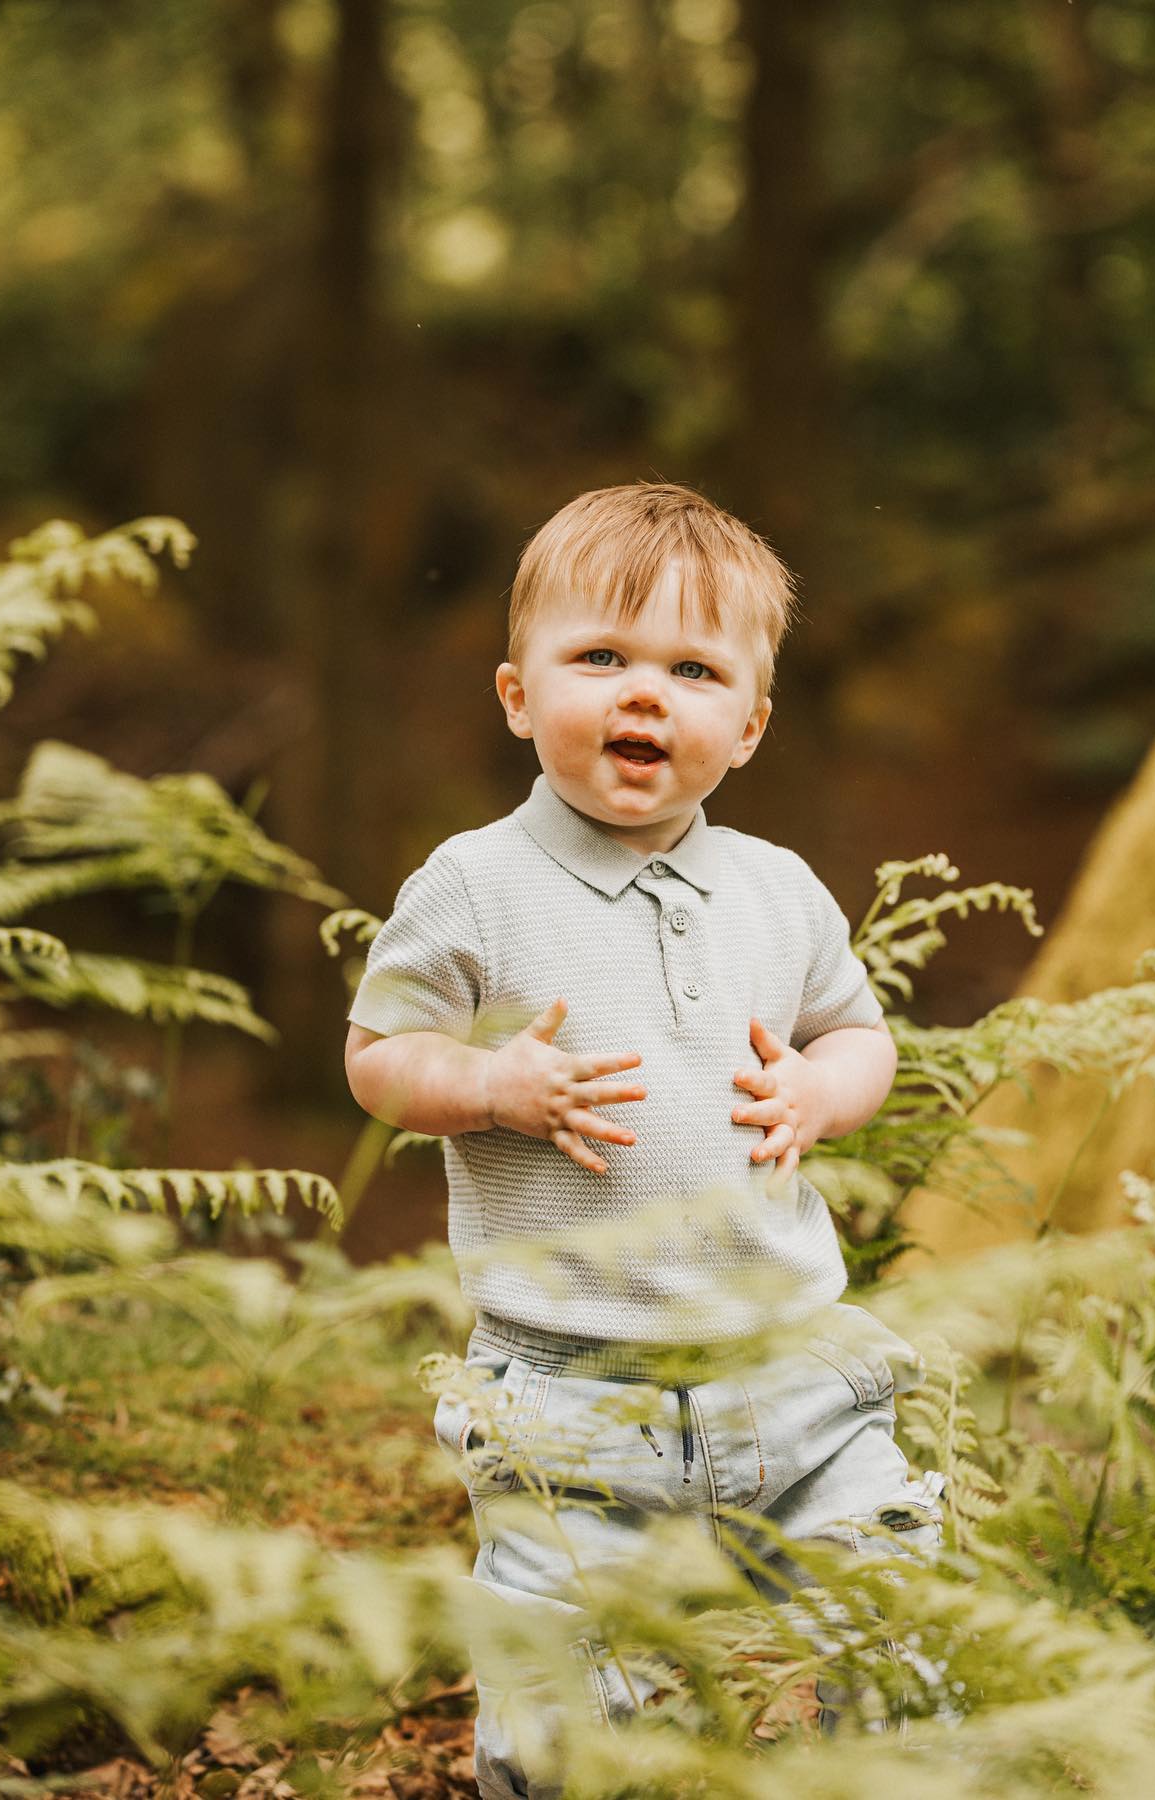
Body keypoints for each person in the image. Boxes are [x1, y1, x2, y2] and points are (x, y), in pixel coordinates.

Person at [344, 481, 946, 1798]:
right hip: (569, 1388)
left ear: (749, 724)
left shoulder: (778, 890)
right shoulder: (472, 887)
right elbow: (377, 1058)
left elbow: (860, 1036)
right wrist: (491, 1084)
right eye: (600, 657)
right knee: (562, 1685)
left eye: (692, 669)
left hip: (792, 1368)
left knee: (892, 1603)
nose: (643, 695)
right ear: (517, 693)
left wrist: (818, 1093)